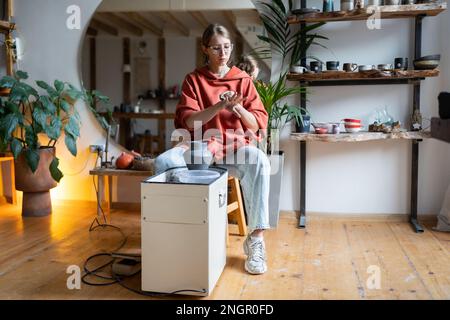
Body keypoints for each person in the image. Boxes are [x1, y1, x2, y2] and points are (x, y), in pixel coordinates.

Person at [154, 24, 271, 275]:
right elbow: (190, 122)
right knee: (164, 163)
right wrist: (219, 107)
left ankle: (256, 239)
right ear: (205, 49)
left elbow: (258, 123)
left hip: (233, 146)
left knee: (259, 160)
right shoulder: (194, 80)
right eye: (216, 48)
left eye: (227, 47)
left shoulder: (243, 79)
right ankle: (177, 235)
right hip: (200, 145)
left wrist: (237, 108)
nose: (223, 53)